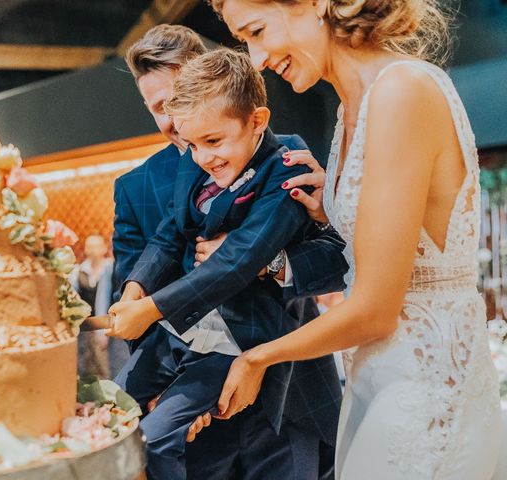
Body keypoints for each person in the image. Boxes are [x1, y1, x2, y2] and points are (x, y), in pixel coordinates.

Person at [207, 0, 502, 478]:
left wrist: (260, 357)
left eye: (257, 31)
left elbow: (375, 310)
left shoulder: (402, 91)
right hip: (380, 380)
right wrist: (335, 206)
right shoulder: (352, 111)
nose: (256, 58)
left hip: (426, 392)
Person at [113, 24, 347, 480]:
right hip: (194, 415)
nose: (168, 120)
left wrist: (272, 262)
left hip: (288, 395)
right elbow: (133, 292)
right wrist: (168, 394)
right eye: (155, 108)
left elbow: (339, 263)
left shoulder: (290, 159)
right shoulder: (134, 188)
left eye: (174, 99)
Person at [69, 234, 114, 378]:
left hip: (109, 324)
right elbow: (73, 297)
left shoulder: (111, 268)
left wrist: (102, 331)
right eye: (90, 247)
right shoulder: (78, 271)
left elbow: (104, 298)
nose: (93, 250)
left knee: (108, 365)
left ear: (104, 248)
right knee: (86, 365)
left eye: (97, 246)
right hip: (86, 326)